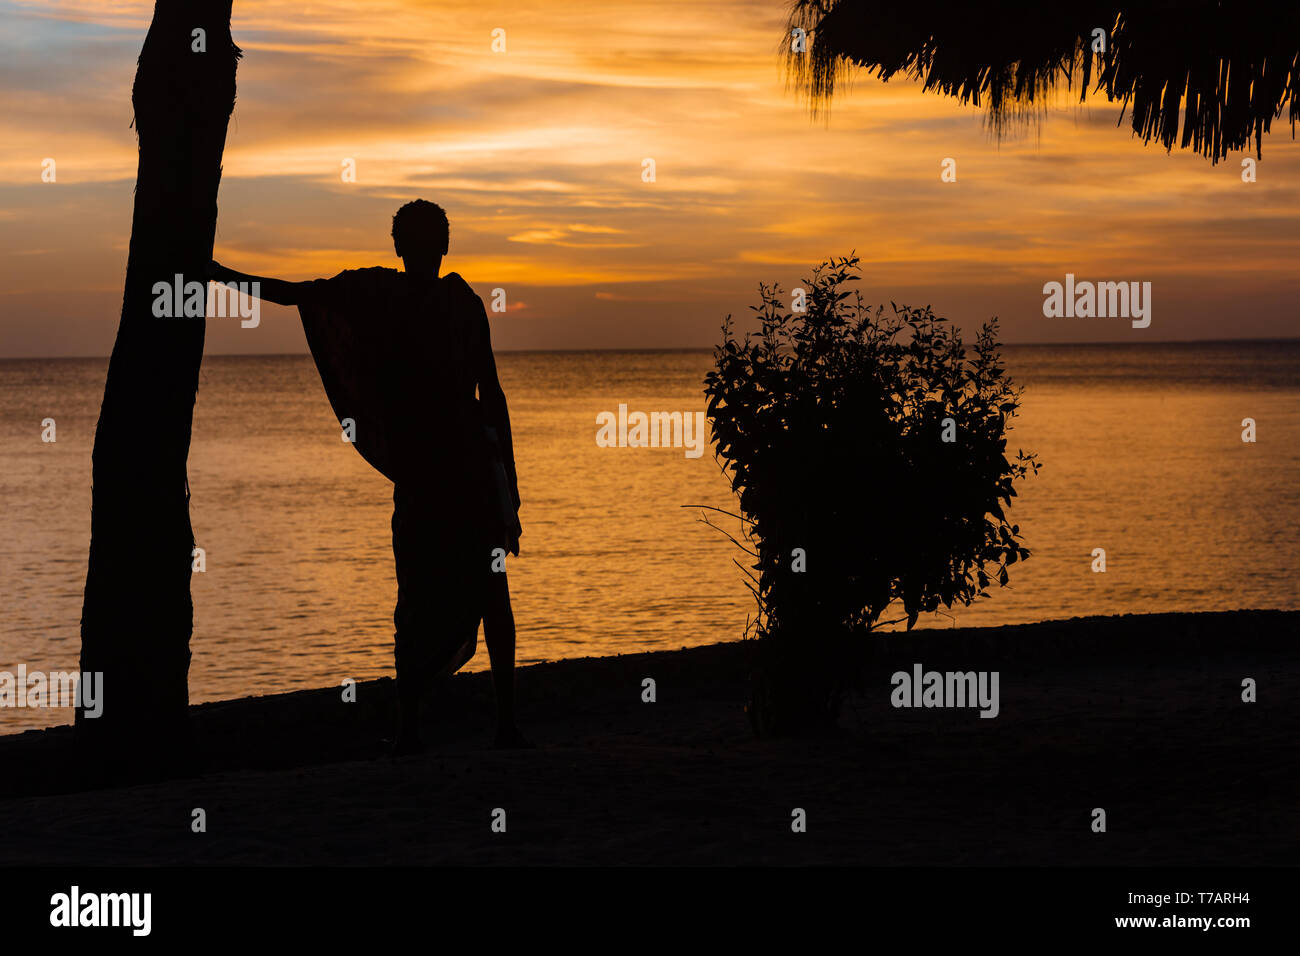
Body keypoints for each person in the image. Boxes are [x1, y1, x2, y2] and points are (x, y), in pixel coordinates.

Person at [211, 199, 529, 752]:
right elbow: (493, 394)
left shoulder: (412, 297)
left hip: (448, 469)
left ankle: (428, 729)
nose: (425, 249)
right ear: (425, 246)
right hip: (452, 469)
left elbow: (297, 294)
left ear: (403, 246)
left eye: (423, 239)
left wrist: (220, 278)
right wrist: (223, 278)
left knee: (440, 593)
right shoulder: (428, 299)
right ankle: (487, 725)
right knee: (475, 589)